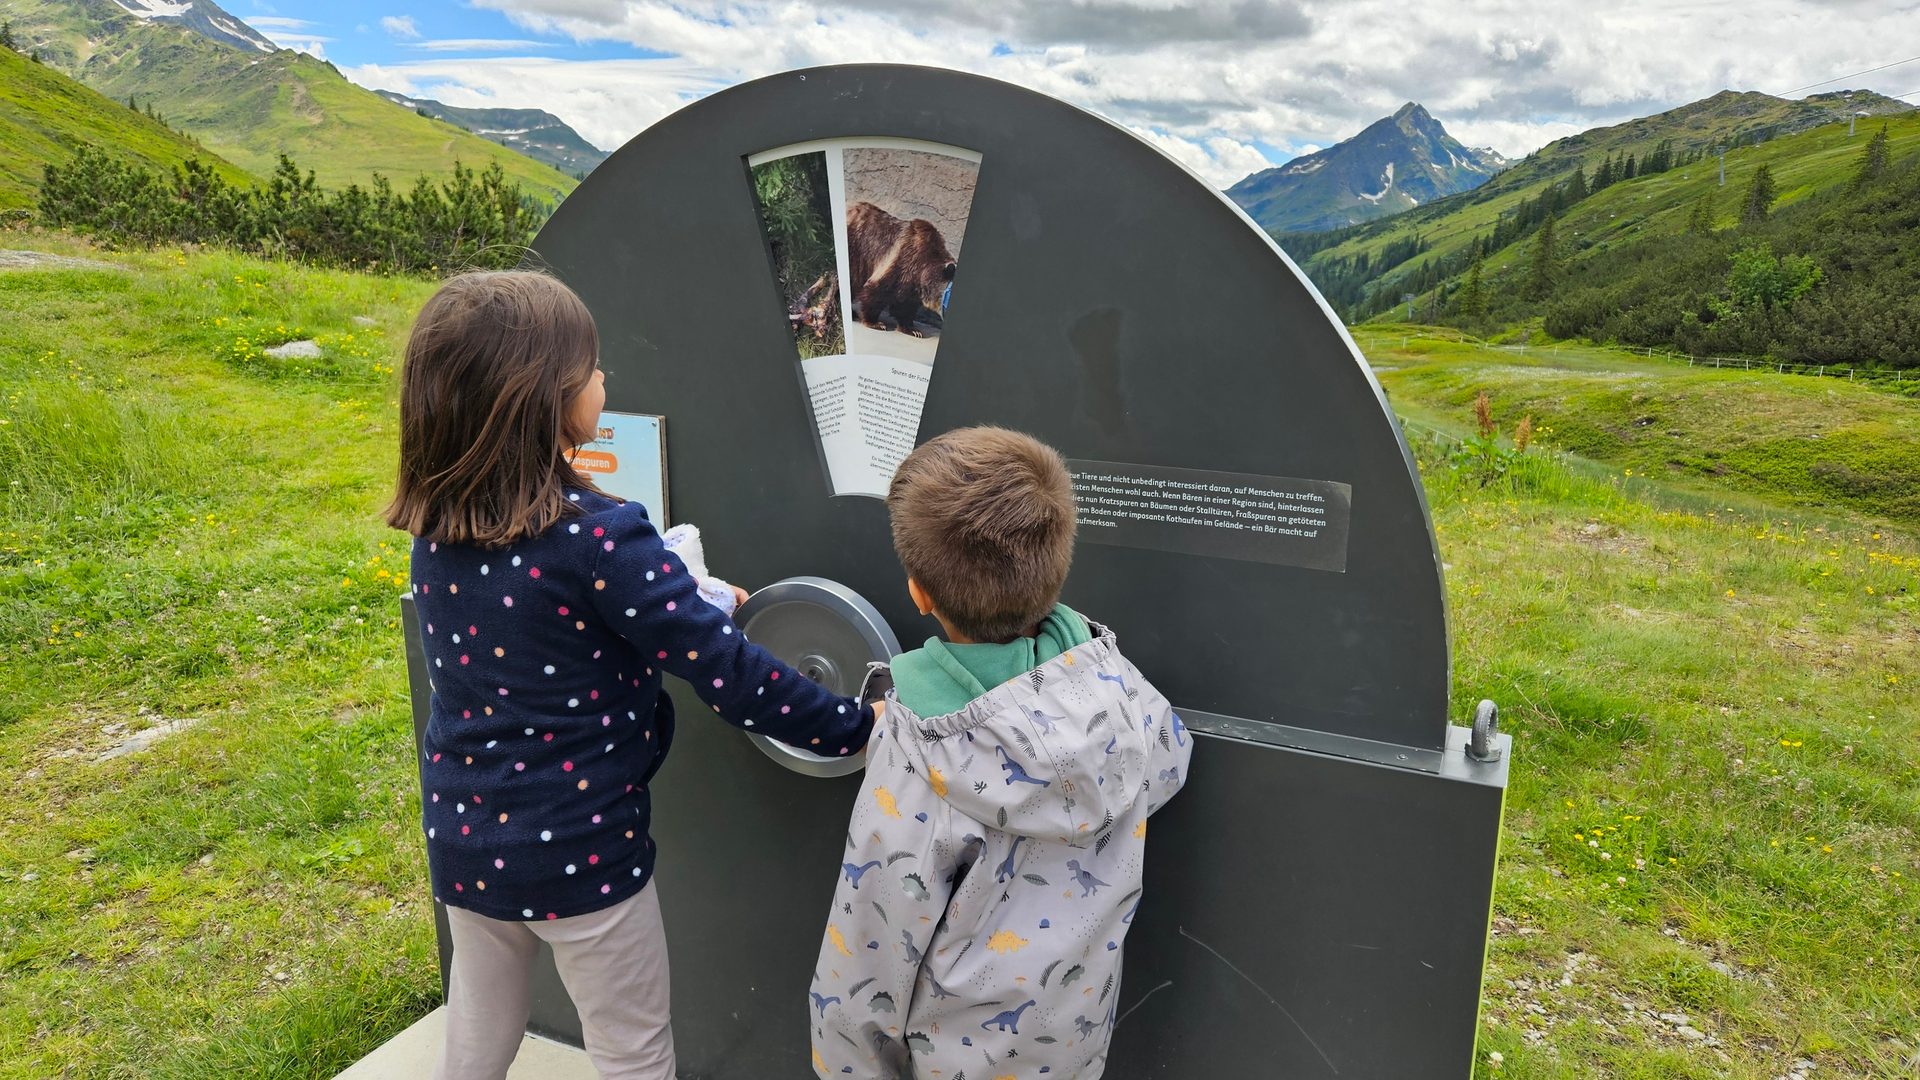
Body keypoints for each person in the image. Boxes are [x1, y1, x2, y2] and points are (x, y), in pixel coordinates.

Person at [386, 270, 879, 1080]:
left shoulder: (439, 529)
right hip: (582, 856)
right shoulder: (602, 541)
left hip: (467, 837)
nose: (606, 379)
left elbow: (550, 623)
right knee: (632, 1048)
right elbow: (729, 674)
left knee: (478, 1022)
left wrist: (698, 597)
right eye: (592, 367)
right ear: (545, 398)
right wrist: (854, 724)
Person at [808, 427, 1192, 1079]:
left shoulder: (920, 749)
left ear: (919, 593)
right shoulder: (1118, 689)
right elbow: (1170, 761)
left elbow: (872, 932)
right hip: (1072, 1042)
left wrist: (846, 1066)